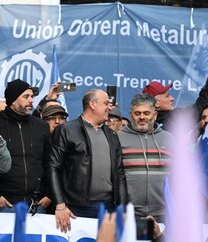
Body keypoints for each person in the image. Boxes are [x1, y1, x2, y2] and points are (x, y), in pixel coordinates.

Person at [49, 89, 127, 232]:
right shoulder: (66, 130)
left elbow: (119, 173)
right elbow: (53, 167)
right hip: (76, 208)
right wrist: (60, 204)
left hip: (109, 207)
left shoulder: (112, 135)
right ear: (92, 104)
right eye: (106, 103)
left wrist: (122, 208)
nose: (110, 107)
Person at [0, 79, 52, 213]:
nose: (31, 100)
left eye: (32, 96)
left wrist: (50, 194)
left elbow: (49, 163)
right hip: (6, 204)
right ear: (13, 100)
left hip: (38, 203)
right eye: (26, 97)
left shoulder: (41, 126)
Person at [118, 93, 172, 222]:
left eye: (146, 113)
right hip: (129, 214)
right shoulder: (117, 139)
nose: (142, 117)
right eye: (137, 113)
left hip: (164, 213)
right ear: (131, 115)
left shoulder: (170, 139)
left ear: (155, 115)